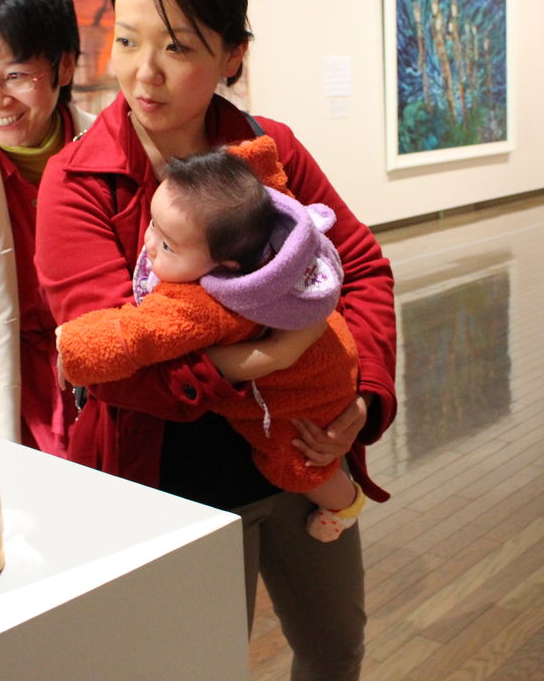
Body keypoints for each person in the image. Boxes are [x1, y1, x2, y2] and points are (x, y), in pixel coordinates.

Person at [35, 0, 397, 679]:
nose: (144, 71)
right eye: (126, 40)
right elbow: (106, 354)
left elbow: (361, 265)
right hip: (165, 481)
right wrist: (266, 357)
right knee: (194, 664)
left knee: (335, 648)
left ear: (234, 54)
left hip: (303, 452)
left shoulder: (269, 149)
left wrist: (360, 395)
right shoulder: (78, 181)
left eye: (178, 46)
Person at [56, 141, 367, 542]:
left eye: (168, 245)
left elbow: (135, 335)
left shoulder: (200, 303)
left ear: (225, 265)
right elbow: (268, 175)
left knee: (294, 463)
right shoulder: (261, 228)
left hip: (306, 397)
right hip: (334, 356)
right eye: (153, 225)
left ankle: (344, 505)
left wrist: (73, 345)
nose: (149, 244)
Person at [0, 0, 95, 456]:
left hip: (102, 386)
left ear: (65, 66)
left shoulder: (111, 150)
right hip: (0, 391)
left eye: (15, 75)